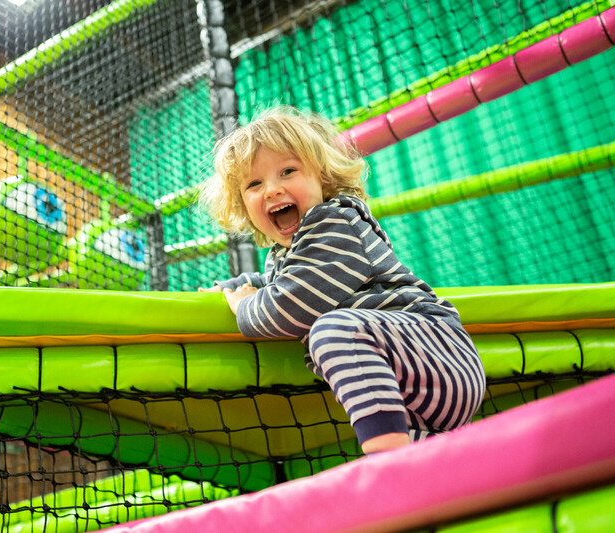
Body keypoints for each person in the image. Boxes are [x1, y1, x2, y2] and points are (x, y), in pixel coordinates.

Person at [198, 107, 485, 454]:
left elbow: (288, 304)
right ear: (244, 207)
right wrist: (233, 285)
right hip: (410, 388)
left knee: (332, 330)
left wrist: (244, 305)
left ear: (322, 178)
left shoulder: (333, 222)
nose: (272, 190)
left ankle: (386, 460)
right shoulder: (287, 254)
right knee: (431, 459)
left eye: (288, 171)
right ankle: (423, 463)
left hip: (436, 356)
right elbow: (275, 279)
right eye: (254, 184)